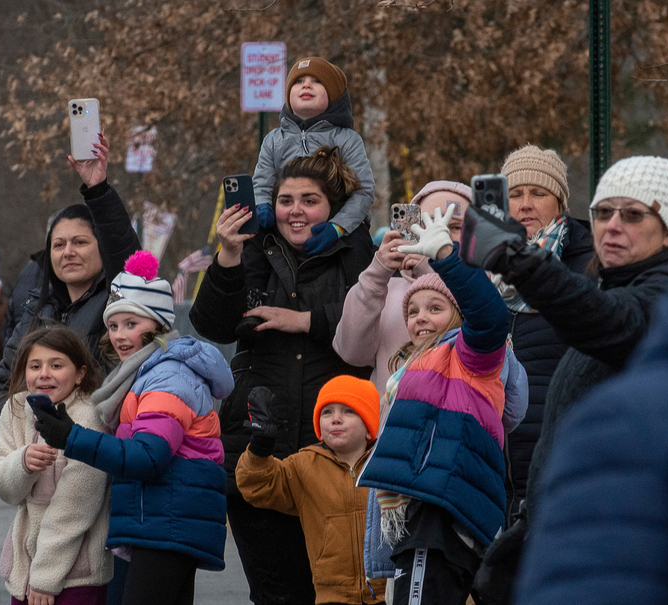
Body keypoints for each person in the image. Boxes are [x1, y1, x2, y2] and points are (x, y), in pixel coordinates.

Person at [461, 155, 668, 602]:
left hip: (622, 549)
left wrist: (516, 258)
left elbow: (608, 320)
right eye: (603, 212)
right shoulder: (615, 287)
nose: (613, 226)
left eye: (633, 215)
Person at [189, 147, 374, 605]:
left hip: (331, 450)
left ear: (333, 208)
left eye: (310, 200)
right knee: (274, 594)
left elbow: (377, 318)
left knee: (337, 591)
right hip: (257, 447)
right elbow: (212, 324)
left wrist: (306, 321)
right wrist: (229, 254)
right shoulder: (253, 247)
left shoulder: (356, 251)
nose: (296, 211)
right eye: (286, 200)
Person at [34, 251, 231, 605]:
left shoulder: (168, 375)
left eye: (131, 324)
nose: (120, 336)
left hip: (167, 525)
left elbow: (147, 457)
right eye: (113, 326)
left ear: (158, 325)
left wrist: (71, 437)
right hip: (165, 523)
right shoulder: (147, 372)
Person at [356, 205, 523, 605]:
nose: (420, 317)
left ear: (459, 316)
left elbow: (490, 318)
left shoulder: (471, 356)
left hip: (440, 509)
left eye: (435, 308)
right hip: (419, 511)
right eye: (412, 310)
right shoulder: (411, 365)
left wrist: (447, 258)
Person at [0, 132, 142, 427]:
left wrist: (98, 190)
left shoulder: (119, 301)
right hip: (36, 446)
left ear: (101, 247)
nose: (68, 252)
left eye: (80, 242)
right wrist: (33, 423)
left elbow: (127, 258)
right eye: (58, 245)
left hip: (98, 442)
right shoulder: (36, 309)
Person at [491, 145, 594, 515]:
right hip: (493, 456)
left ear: (560, 203)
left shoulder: (588, 266)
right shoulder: (480, 265)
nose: (525, 205)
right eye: (515, 194)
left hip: (560, 451)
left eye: (538, 193)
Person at [0, 326, 112, 605]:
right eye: (35, 366)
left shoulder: (89, 417)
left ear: (80, 374)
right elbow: (4, 488)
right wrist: (22, 464)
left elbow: (75, 509)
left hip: (75, 576)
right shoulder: (15, 408)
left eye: (56, 365)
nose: (44, 374)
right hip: (23, 573)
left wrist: (46, 578)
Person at [236, 377, 386, 605]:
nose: (336, 419)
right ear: (319, 429)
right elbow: (256, 485)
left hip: (387, 593)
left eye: (348, 411)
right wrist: (260, 445)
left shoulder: (387, 465)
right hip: (332, 595)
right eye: (327, 412)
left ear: (369, 426)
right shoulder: (304, 465)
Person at [334, 180, 472, 402]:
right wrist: (376, 274)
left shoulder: (491, 285)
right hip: (390, 421)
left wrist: (432, 271)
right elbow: (351, 352)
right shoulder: (386, 288)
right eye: (429, 224)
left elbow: (476, 322)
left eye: (455, 227)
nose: (441, 234)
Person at [252, 56, 375, 256]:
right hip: (288, 224)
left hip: (338, 227)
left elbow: (364, 192)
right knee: (254, 245)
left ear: (333, 95)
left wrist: (338, 227)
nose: (306, 85)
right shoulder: (273, 140)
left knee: (359, 247)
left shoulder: (347, 139)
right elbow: (262, 183)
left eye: (317, 81)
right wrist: (263, 205)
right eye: (298, 81)